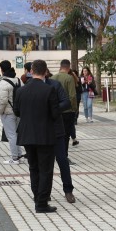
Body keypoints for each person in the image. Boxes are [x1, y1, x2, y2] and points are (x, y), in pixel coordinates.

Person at [13, 59, 62, 214]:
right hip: (45, 135)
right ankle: (41, 203)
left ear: (31, 71)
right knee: (46, 169)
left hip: (27, 134)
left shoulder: (21, 90)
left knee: (33, 168)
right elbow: (55, 114)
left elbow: (17, 112)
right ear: (45, 72)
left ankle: (36, 197)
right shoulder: (49, 90)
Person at [44, 64, 76, 204]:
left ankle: (68, 190)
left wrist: (53, 110)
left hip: (57, 129)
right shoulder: (30, 86)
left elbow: (66, 102)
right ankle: (45, 193)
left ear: (46, 72)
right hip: (41, 132)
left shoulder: (55, 85)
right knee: (45, 164)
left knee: (62, 160)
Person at [0, 60, 23, 164]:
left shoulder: (3, 82)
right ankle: (19, 155)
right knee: (16, 134)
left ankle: (15, 158)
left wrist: (0, 111)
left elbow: (2, 100)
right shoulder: (19, 80)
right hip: (18, 111)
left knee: (11, 135)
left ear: (2, 70)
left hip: (8, 112)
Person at [54, 60, 80, 148]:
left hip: (55, 110)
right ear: (68, 68)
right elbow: (72, 96)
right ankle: (64, 155)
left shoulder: (52, 78)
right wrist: (74, 109)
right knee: (66, 135)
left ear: (60, 67)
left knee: (56, 134)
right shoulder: (69, 78)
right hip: (67, 110)